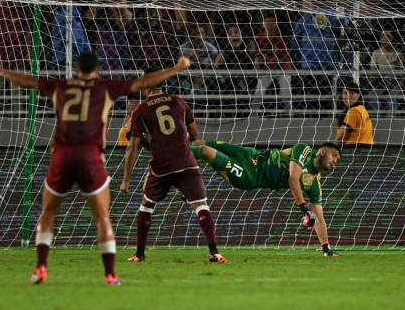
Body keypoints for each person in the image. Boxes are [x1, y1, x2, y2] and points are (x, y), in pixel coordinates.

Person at [0, 52, 191, 285]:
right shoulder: (104, 87)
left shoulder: (60, 86)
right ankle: (110, 275)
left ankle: (41, 268)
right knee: (102, 217)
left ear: (76, 70)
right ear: (97, 72)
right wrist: (176, 67)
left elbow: (30, 82)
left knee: (48, 213)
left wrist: (0, 71)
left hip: (62, 155)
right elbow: (142, 83)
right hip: (90, 155)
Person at [120, 68, 227, 264]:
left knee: (147, 206)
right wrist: (177, 140)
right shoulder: (179, 102)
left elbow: (132, 148)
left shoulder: (141, 111)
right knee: (201, 205)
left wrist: (126, 180)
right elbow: (194, 135)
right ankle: (214, 252)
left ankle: (139, 254)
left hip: (162, 166)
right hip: (186, 161)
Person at [189, 140, 342, 256]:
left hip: (249, 175)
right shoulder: (304, 150)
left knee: (206, 151)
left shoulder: (314, 184)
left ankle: (172, 159)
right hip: (251, 155)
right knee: (200, 143)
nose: (335, 160)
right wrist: (305, 210)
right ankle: (176, 144)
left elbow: (320, 219)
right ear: (322, 151)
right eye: (333, 155)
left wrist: (326, 248)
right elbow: (293, 179)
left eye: (337, 159)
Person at [335, 80, 374, 146]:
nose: (348, 97)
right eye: (345, 93)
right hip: (367, 148)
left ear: (358, 95)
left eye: (352, 93)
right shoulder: (362, 109)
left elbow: (340, 138)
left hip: (354, 150)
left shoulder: (353, 111)